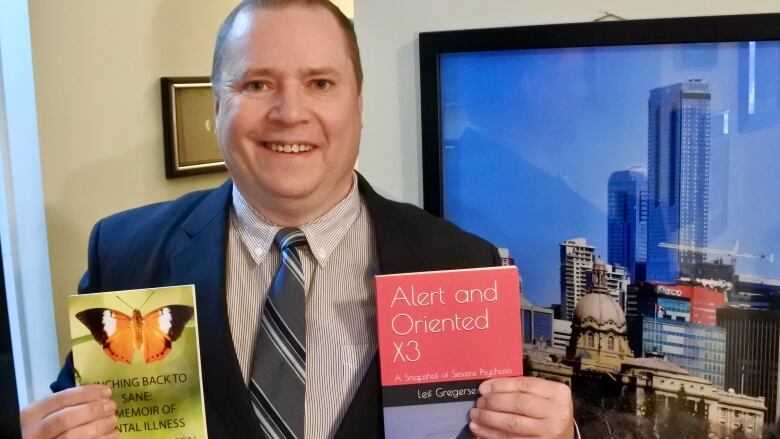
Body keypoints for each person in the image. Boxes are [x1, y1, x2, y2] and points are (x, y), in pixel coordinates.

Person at [20, 1, 576, 438]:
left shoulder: (457, 263)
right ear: (217, 107)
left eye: (320, 83)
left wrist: (554, 434)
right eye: (257, 84)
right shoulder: (125, 252)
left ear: (358, 104)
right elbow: (85, 412)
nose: (289, 113)